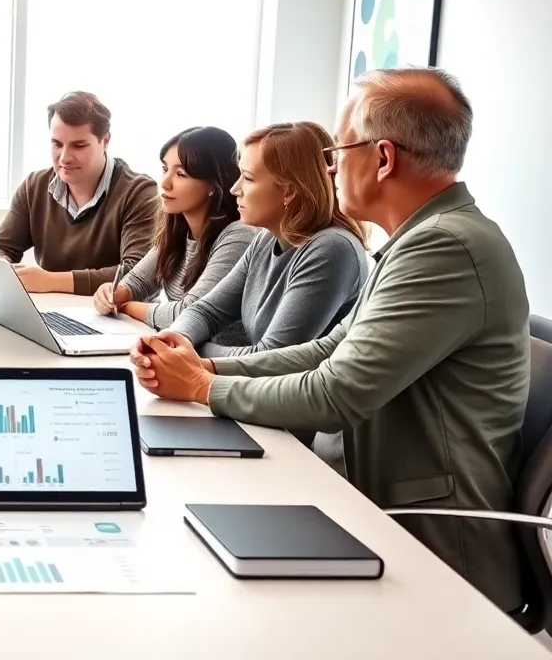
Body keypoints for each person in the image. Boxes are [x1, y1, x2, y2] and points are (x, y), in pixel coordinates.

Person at [129, 68, 529, 614]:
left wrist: (201, 388)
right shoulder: (417, 240)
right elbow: (328, 349)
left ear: (383, 158)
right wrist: (207, 371)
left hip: (423, 547)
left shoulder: (444, 248)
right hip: (356, 501)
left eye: (338, 150)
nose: (332, 165)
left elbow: (336, 393)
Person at [156, 121, 370, 357]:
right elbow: (206, 311)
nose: (234, 189)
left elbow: (269, 357)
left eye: (248, 178)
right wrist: (177, 338)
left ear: (289, 191)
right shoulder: (265, 239)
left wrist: (187, 349)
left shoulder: (333, 249)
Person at [0, 92, 159, 295]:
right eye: (57, 144)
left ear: (105, 141)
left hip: (118, 312)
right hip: (52, 308)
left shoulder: (139, 193)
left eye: (79, 145)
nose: (64, 158)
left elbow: (136, 275)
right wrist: (2, 267)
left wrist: (49, 281)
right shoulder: (34, 186)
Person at [92, 126, 255, 344]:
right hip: (185, 352)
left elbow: (189, 313)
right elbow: (137, 283)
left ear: (213, 185)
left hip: (223, 360)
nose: (165, 183)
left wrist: (126, 306)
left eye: (180, 174)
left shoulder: (239, 236)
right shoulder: (177, 229)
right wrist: (111, 294)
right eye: (164, 169)